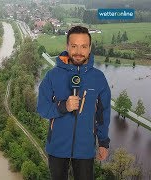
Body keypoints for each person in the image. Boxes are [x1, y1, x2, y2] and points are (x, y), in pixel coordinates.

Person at [37, 26, 111, 180]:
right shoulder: (52, 76)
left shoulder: (98, 78)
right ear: (67, 47)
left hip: (85, 149)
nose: (79, 51)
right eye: (74, 46)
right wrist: (64, 106)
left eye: (84, 46)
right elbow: (42, 108)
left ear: (89, 48)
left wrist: (103, 142)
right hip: (57, 147)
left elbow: (103, 114)